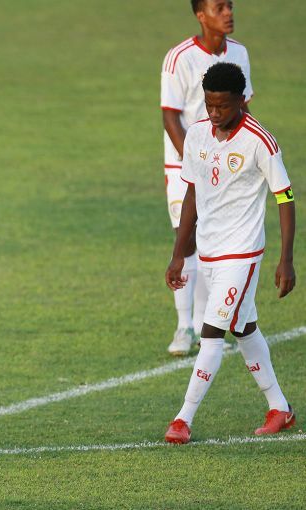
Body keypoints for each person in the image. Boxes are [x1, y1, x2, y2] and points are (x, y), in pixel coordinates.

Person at [164, 62, 295, 444]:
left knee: (211, 333)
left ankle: (183, 419)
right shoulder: (197, 134)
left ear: (241, 100)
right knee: (244, 327)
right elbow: (192, 192)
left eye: (222, 105)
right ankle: (280, 408)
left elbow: (285, 198)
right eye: (209, 105)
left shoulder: (259, 141)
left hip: (242, 253)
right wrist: (179, 254)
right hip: (208, 250)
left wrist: (286, 259)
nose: (214, 113)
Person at [161, 0, 253, 355]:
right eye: (219, 7)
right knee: (186, 239)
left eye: (229, 6)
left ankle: (205, 326)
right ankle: (183, 326)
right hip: (184, 165)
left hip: (225, 166)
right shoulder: (179, 58)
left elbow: (244, 108)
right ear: (201, 15)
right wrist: (196, 163)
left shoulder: (239, 54)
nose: (228, 12)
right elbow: (171, 117)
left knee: (212, 240)